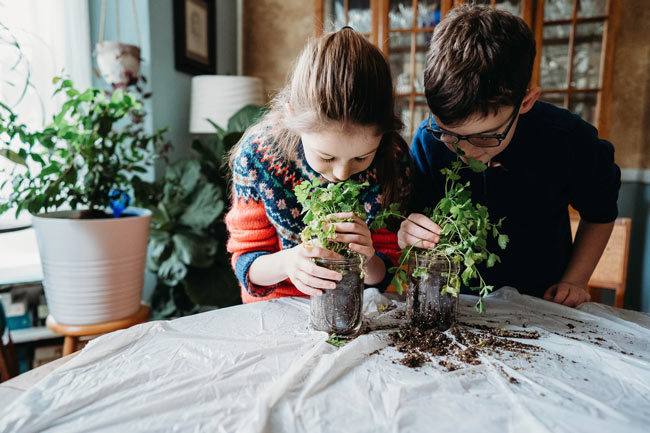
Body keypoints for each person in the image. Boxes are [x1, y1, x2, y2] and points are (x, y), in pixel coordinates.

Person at [398, 5, 620, 307]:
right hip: (458, 303)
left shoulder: (567, 139)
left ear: (526, 102)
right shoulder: (428, 140)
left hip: (541, 303)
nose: (467, 152)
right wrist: (410, 229)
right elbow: (414, 215)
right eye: (448, 133)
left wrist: (575, 280)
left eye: (485, 137)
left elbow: (600, 212)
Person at [225, 28, 410, 303]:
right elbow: (247, 267)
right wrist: (288, 263)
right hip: (276, 309)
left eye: (361, 157)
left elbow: (384, 273)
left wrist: (368, 256)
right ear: (292, 117)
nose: (341, 174)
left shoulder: (392, 157)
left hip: (354, 308)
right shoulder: (257, 156)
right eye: (326, 157)